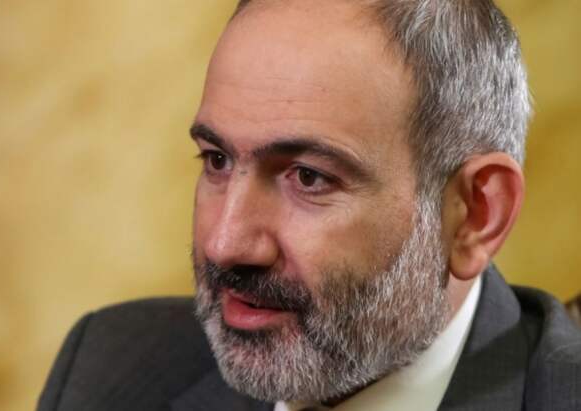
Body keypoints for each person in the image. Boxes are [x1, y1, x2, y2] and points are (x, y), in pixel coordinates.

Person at [37, 0, 581, 410]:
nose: (224, 244)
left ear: (475, 216)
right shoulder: (109, 366)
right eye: (217, 160)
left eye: (309, 177)